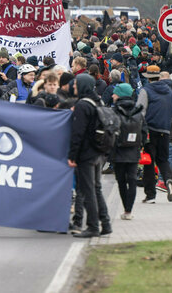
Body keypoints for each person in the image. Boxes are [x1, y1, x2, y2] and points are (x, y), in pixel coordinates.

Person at [67, 74, 111, 238]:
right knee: (97, 189)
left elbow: (78, 133)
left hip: (86, 154)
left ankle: (93, 226)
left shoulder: (82, 105)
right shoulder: (97, 101)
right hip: (99, 152)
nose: (75, 87)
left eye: (77, 84)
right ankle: (105, 223)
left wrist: (72, 155)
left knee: (88, 191)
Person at [136, 65, 172, 203]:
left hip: (149, 131)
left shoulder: (145, 91)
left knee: (149, 162)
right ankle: (169, 180)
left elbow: (140, 112)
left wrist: (138, 132)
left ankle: (150, 195)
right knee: (163, 160)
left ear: (148, 78)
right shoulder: (169, 92)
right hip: (164, 131)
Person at [109, 84, 146, 220]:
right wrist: (140, 145)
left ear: (119, 95)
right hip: (134, 151)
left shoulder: (114, 111)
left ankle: (125, 209)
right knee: (132, 180)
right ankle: (129, 211)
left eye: (114, 93)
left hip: (118, 152)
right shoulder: (138, 111)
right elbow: (144, 130)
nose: (112, 95)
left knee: (121, 181)